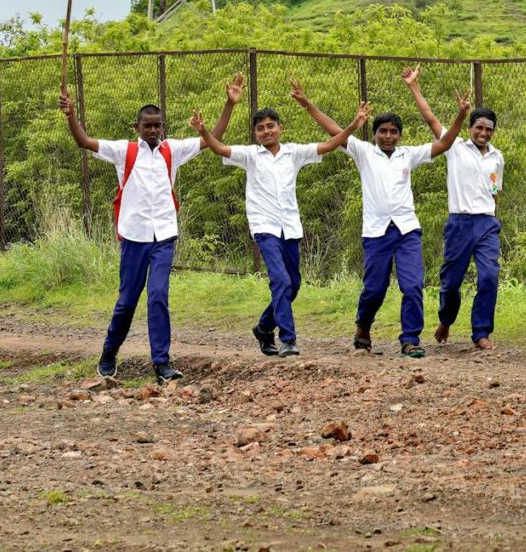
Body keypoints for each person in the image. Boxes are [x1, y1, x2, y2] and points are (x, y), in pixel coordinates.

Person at [58, 75, 241, 383]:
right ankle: (109, 353)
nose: (153, 130)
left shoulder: (172, 150)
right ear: (138, 127)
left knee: (158, 296)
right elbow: (84, 141)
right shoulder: (124, 151)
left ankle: (161, 363)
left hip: (164, 236)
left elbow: (211, 140)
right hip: (134, 236)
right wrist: (71, 115)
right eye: (148, 126)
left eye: (158, 126)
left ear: (163, 127)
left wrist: (229, 104)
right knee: (127, 301)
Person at [293, 80, 469, 358]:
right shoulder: (364, 153)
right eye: (383, 131)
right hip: (376, 232)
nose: (388, 136)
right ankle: (363, 326)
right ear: (374, 134)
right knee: (375, 289)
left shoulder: (408, 155)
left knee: (412, 286)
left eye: (393, 132)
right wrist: (307, 104)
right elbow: (334, 130)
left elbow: (445, 143)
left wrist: (461, 115)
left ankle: (410, 340)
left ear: (400, 136)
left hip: (407, 230)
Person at [191, 95, 366, 358]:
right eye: (260, 128)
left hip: (290, 227)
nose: (266, 131)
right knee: (280, 280)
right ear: (255, 133)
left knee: (293, 284)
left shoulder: (293, 153)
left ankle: (263, 326)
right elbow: (219, 149)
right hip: (265, 227)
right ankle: (287, 339)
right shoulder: (250, 155)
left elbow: (330, 144)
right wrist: (204, 131)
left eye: (270, 126)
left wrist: (353, 125)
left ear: (280, 128)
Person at [403, 66, 504, 351]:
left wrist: (491, 214)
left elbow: (495, 190)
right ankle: (446, 320)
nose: (483, 133)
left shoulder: (497, 157)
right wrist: (414, 86)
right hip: (460, 223)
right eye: (479, 127)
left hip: (487, 224)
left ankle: (481, 332)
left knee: (489, 276)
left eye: (488, 129)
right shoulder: (455, 146)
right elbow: (429, 117)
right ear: (470, 128)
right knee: (451, 282)